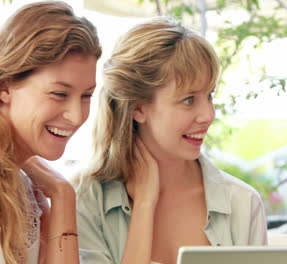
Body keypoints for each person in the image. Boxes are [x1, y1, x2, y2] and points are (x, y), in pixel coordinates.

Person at [75, 17, 267, 264]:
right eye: (188, 99)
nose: (208, 115)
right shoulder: (85, 201)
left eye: (209, 95)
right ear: (138, 108)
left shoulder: (242, 203)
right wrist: (145, 205)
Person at [0, 1, 101, 264]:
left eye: (86, 96)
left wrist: (63, 196)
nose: (77, 116)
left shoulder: (26, 189)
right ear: (5, 86)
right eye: (59, 94)